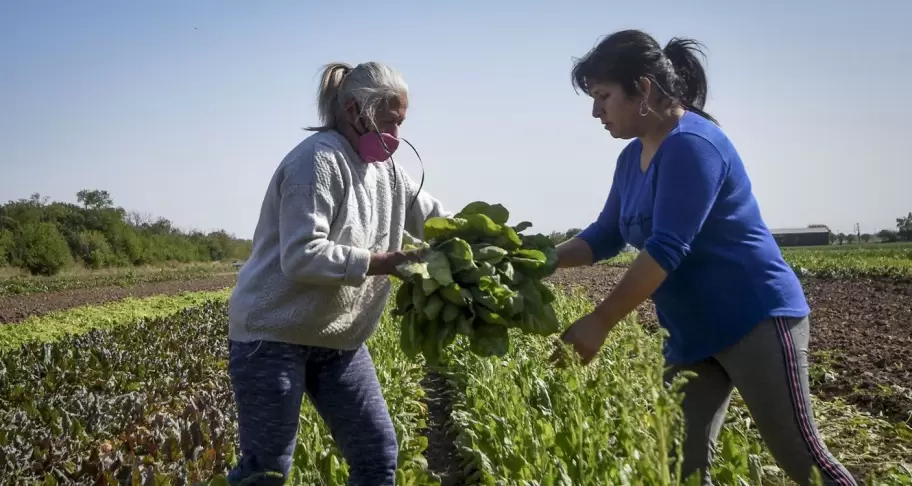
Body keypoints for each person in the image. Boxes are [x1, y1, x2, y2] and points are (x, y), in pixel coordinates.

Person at [552, 30, 857, 486]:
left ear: (644, 89)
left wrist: (600, 321)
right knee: (682, 468)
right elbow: (605, 236)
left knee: (803, 460)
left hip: (754, 319)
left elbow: (666, 249)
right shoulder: (630, 158)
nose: (596, 111)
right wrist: (537, 259)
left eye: (603, 96)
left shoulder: (693, 144)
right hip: (692, 336)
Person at [225, 61, 448, 486]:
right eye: (388, 122)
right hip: (271, 338)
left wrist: (489, 242)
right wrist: (385, 262)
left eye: (401, 123)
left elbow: (437, 219)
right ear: (353, 112)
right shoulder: (315, 162)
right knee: (267, 470)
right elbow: (303, 256)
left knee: (377, 457)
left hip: (338, 342)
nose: (397, 137)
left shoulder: (389, 173)